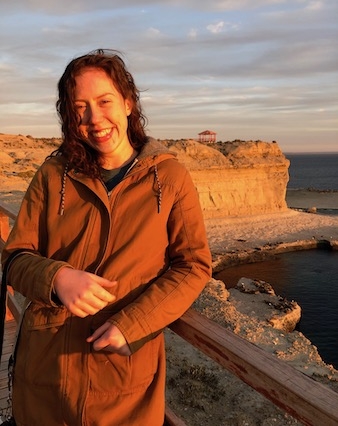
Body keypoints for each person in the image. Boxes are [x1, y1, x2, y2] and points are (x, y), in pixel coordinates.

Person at [1, 49, 212, 426]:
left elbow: (193, 265)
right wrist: (57, 278)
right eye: (79, 106)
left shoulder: (171, 177)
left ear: (128, 103)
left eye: (104, 101)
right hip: (43, 377)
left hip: (122, 384)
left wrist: (132, 325)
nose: (93, 119)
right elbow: (14, 257)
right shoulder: (53, 174)